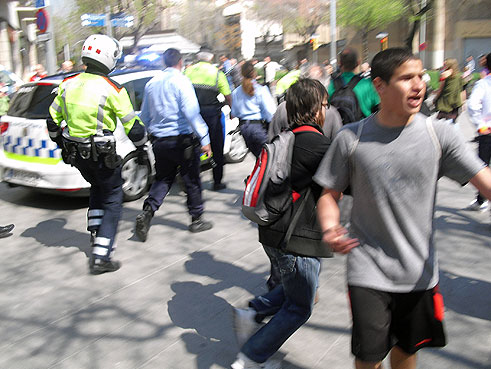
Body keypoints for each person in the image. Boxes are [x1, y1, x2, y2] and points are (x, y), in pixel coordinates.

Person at [314, 47, 491, 369]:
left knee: (408, 350)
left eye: (420, 76)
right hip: (368, 268)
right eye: (407, 78)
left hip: (418, 272)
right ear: (380, 86)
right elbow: (329, 193)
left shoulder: (439, 135)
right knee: (368, 356)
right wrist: (330, 228)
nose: (419, 84)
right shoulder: (351, 138)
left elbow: (485, 181)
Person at [231, 79, 334, 369]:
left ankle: (253, 312)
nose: (327, 111)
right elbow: (347, 182)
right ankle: (251, 356)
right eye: (325, 105)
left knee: (297, 288)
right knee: (300, 306)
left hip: (272, 231)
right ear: (315, 109)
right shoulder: (317, 144)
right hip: (296, 237)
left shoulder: (285, 137)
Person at [48, 34, 147, 275]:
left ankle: (95, 233)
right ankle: (101, 256)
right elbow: (132, 127)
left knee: (97, 187)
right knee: (113, 197)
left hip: (77, 155)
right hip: (102, 155)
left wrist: (62, 142)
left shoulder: (67, 83)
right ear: (107, 58)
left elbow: (52, 122)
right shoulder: (113, 88)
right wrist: (143, 147)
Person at [135, 48, 213, 242]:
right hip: (182, 140)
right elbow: (191, 113)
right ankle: (196, 219)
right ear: (180, 62)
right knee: (191, 179)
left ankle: (148, 211)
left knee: (163, 179)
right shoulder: (182, 81)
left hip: (159, 141)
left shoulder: (152, 83)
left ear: (164, 62)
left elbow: (144, 116)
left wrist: (144, 138)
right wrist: (205, 139)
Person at [185, 48, 231, 191]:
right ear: (211, 57)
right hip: (212, 115)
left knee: (193, 148)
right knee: (217, 148)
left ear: (198, 56)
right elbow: (228, 95)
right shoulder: (217, 73)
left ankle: (191, 182)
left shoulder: (188, 71)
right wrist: (231, 109)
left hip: (193, 114)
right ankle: (217, 181)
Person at [231, 60, 277, 158]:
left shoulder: (236, 92)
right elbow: (270, 111)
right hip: (258, 127)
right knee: (268, 160)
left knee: (259, 160)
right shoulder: (261, 90)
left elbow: (234, 112)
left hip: (244, 129)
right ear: (254, 73)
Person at [467, 52, 491, 212]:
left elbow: (472, 105)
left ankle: (482, 199)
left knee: (483, 166)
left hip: (488, 131)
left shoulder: (483, 84)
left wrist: (481, 124)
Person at [328, 48, 380, 118]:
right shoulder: (368, 84)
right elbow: (378, 108)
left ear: (339, 63)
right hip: (362, 127)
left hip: (338, 127)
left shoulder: (331, 84)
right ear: (358, 62)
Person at [435, 58, 464, 125]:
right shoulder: (459, 76)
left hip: (445, 103)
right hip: (455, 103)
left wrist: (435, 99)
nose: (443, 66)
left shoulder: (444, 75)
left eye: (445, 64)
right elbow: (462, 90)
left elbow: (440, 89)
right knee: (453, 122)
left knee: (439, 123)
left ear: (449, 65)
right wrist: (463, 102)